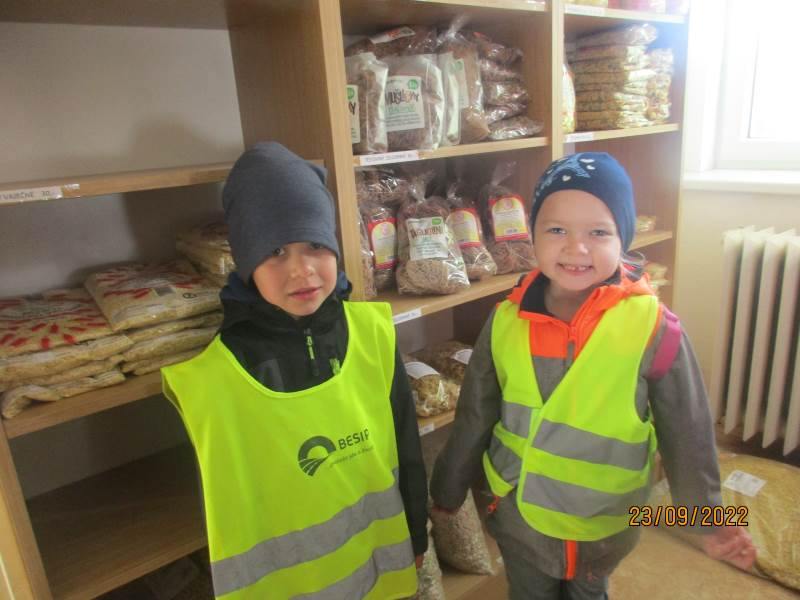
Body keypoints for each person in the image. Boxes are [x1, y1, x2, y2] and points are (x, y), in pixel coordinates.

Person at [429, 152, 756, 600]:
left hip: (604, 525)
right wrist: (447, 491)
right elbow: (474, 414)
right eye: (556, 230)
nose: (575, 248)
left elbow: (689, 432)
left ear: (623, 238)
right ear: (532, 234)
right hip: (519, 518)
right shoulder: (505, 320)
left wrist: (708, 522)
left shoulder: (654, 328)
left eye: (598, 232)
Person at [162, 142, 428, 599]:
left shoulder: (372, 332)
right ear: (246, 262)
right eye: (276, 251)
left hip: (380, 568)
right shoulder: (218, 372)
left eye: (315, 245)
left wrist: (417, 533)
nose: (301, 270)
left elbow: (406, 442)